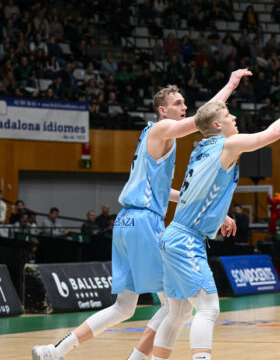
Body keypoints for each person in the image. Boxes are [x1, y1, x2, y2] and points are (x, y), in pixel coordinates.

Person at [32, 69, 251, 360]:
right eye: (178, 103)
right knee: (177, 305)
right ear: (163, 109)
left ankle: (55, 350)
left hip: (126, 221)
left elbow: (166, 192)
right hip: (145, 221)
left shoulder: (153, 136)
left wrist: (214, 211)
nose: (184, 107)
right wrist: (230, 85)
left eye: (185, 103)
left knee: (123, 308)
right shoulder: (161, 129)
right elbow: (204, 119)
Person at [150, 101, 280, 360]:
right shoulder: (227, 144)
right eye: (228, 115)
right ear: (217, 125)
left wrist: (221, 215)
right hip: (187, 239)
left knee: (178, 313)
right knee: (208, 308)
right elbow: (273, 135)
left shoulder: (199, 150)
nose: (234, 117)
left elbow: (193, 194)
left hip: (173, 235)